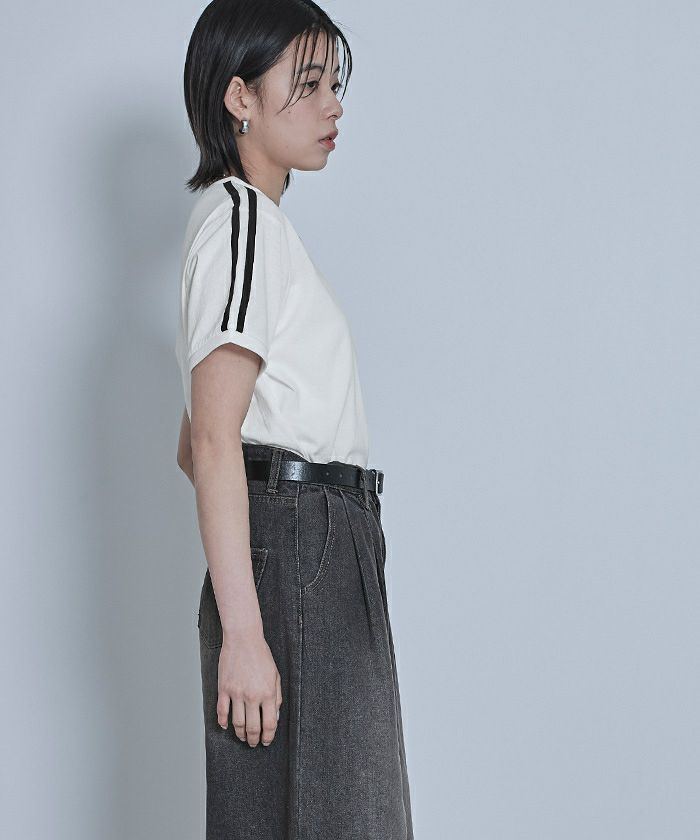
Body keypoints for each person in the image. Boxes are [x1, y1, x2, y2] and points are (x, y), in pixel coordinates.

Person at [174, 1, 414, 837]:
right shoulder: (243, 222)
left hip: (314, 543)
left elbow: (199, 440)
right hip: (304, 542)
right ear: (239, 97)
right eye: (307, 84)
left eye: (334, 84)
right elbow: (211, 439)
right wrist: (245, 629)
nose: (332, 104)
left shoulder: (256, 230)